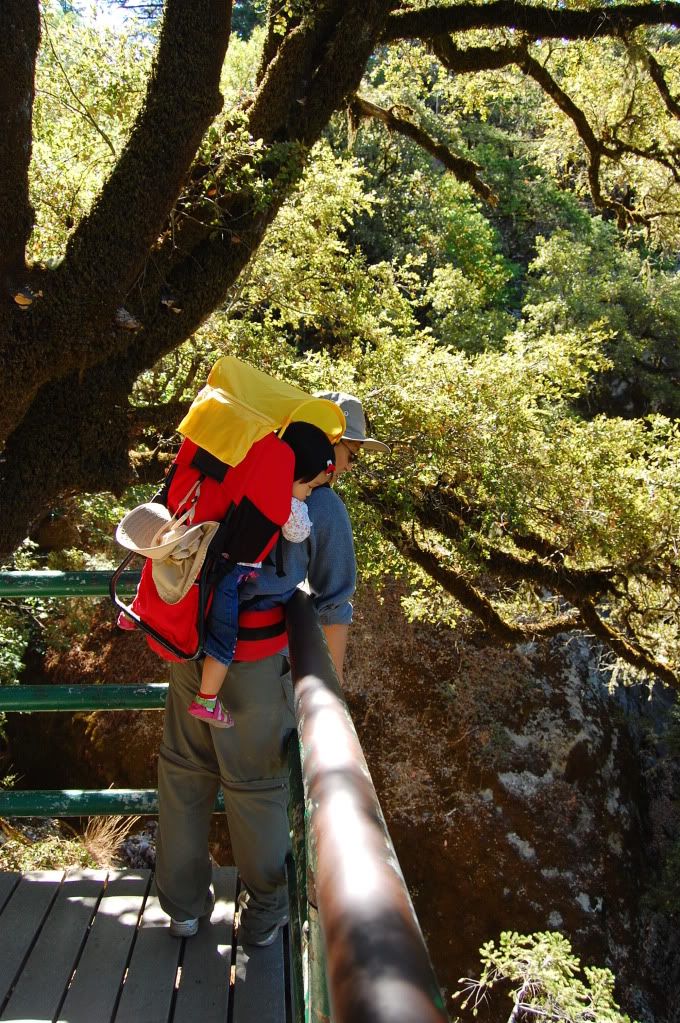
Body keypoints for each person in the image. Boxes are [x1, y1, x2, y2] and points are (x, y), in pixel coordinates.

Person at [155, 391, 390, 944]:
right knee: (256, 786)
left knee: (185, 773)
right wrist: (324, 698)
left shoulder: (241, 469)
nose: (351, 463)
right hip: (256, 668)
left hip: (193, 651)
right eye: (350, 450)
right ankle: (264, 914)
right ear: (327, 447)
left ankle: (183, 908)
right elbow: (334, 604)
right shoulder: (321, 506)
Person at [190, 423, 336, 727]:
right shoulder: (286, 500)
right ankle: (206, 699)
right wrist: (298, 501)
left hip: (212, 566)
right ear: (296, 474)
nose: (309, 494)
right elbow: (298, 533)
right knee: (224, 640)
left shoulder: (254, 473)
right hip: (231, 579)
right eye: (309, 486)